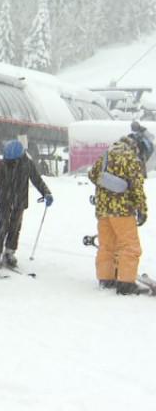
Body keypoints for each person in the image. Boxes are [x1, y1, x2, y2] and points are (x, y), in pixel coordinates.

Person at [87, 123, 152, 294]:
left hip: (102, 210)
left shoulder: (108, 153)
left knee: (107, 246)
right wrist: (142, 210)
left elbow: (93, 174)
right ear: (138, 146)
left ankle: (106, 279)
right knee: (129, 246)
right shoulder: (131, 158)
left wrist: (109, 184)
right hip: (122, 210)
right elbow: (137, 188)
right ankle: (126, 283)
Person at [0, 140, 52, 268]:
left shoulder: (27, 165)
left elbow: (37, 180)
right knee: (2, 226)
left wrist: (46, 193)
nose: (9, 163)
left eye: (12, 161)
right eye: (8, 160)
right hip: (4, 201)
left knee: (15, 227)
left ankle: (9, 251)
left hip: (19, 202)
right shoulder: (2, 165)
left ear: (19, 158)